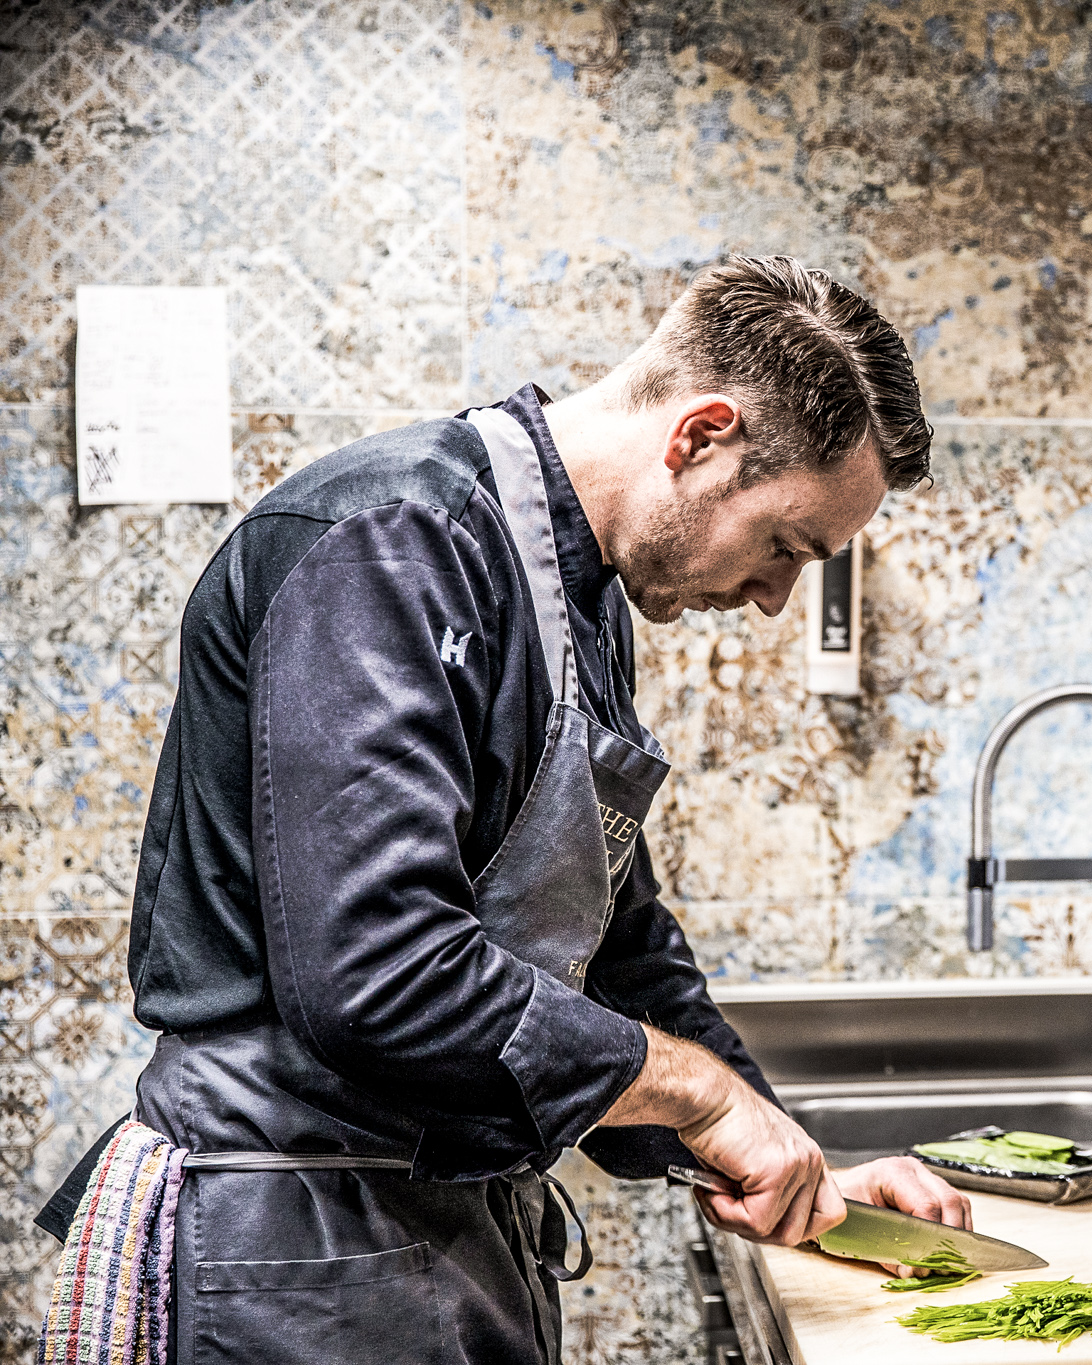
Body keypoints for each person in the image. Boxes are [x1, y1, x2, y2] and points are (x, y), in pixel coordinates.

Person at [72, 256, 968, 1362]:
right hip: (292, 1243)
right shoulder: (394, 543)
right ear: (700, 437)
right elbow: (382, 977)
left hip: (429, 1229)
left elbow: (613, 945)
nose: (776, 599)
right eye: (785, 545)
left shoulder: (578, 595)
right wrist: (691, 1093)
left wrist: (792, 1163)